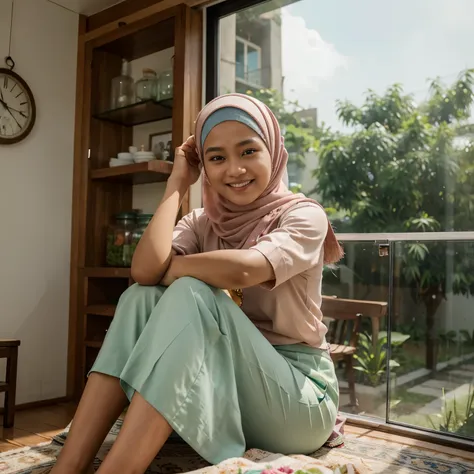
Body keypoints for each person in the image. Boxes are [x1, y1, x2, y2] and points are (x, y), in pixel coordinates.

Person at [51, 93, 344, 474]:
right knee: (142, 297)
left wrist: (174, 270)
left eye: (248, 150)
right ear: (202, 165)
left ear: (272, 150)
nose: (234, 169)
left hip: (298, 402)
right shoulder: (202, 222)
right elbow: (143, 272)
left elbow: (246, 269)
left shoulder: (303, 216)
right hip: (230, 387)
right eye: (217, 157)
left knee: (189, 291)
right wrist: (176, 183)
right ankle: (68, 465)